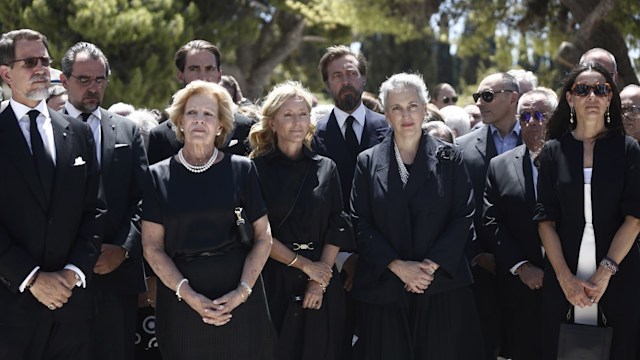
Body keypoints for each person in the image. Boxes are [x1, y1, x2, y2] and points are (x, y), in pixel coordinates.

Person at [350, 72, 483, 359]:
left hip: (441, 286)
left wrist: (428, 268)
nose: (405, 115)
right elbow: (360, 222)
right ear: (386, 115)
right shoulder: (368, 161)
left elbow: (464, 215)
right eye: (396, 108)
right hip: (385, 289)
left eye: (412, 106)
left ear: (425, 110)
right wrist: (399, 267)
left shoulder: (451, 157)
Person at [142, 80, 275, 359]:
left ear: (220, 126)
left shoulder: (243, 169)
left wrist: (241, 292)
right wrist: (190, 296)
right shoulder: (156, 176)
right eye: (192, 113)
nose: (199, 121)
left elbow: (263, 237)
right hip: (182, 298)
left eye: (208, 114)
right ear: (179, 122)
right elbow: (152, 248)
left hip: (240, 295)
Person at [0, 29, 103, 358]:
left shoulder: (78, 132)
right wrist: (31, 278)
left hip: (71, 309)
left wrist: (73, 273)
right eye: (30, 62)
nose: (42, 68)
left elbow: (95, 210)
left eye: (45, 60)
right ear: (6, 73)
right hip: (9, 309)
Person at [534, 62, 640, 359]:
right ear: (570, 98)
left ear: (609, 98)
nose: (591, 95)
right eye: (582, 89)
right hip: (563, 271)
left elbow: (634, 219)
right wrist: (565, 280)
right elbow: (545, 221)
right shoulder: (553, 151)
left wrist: (605, 273)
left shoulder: (628, 149)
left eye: (601, 89)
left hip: (618, 273)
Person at [249, 81, 353, 360]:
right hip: (273, 279)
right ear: (272, 123)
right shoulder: (254, 170)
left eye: (303, 114)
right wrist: (306, 267)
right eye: (288, 115)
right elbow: (258, 232)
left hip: (321, 278)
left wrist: (318, 280)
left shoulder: (326, 167)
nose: (297, 122)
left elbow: (337, 225)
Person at [312, 45, 388, 358]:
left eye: (352, 74)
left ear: (364, 79)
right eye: (337, 75)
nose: (346, 81)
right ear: (327, 84)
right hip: (331, 267)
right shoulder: (313, 135)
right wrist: (345, 258)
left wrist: (372, 257)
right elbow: (317, 205)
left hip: (386, 263)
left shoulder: (390, 130)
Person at [483, 88, 558, 360]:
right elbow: (492, 222)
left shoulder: (578, 161)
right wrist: (520, 267)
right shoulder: (499, 166)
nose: (532, 122)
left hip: (572, 287)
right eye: (524, 116)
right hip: (520, 292)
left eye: (540, 115)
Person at [456, 72, 521, 360]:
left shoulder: (543, 141)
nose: (480, 103)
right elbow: (456, 208)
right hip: (481, 269)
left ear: (513, 98)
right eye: (477, 97)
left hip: (530, 267)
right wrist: (476, 253)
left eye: (488, 96)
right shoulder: (462, 147)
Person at [147, 40, 253, 164]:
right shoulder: (161, 135)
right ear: (180, 75)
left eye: (210, 69)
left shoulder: (246, 128)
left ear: (219, 75)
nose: (203, 76)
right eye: (194, 69)